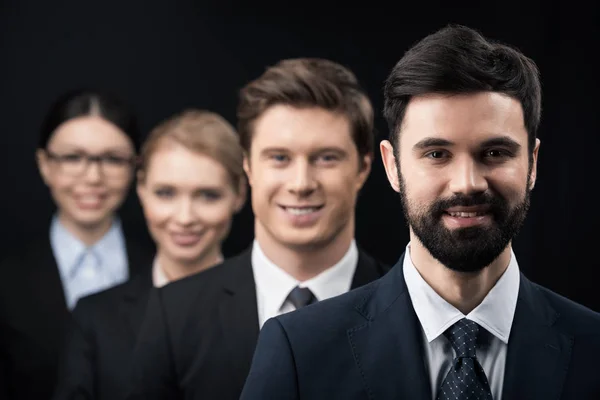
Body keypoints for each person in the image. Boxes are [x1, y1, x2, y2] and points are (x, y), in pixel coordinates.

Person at [240, 25, 600, 400]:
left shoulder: (593, 350)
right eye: (436, 154)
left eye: (494, 153)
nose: (466, 183)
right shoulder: (298, 351)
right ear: (392, 166)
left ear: (533, 163)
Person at [125, 58, 390, 400]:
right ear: (248, 166)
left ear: (363, 168)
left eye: (326, 157)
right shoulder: (173, 316)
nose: (301, 183)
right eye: (279, 157)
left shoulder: (411, 311)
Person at [51, 109, 246, 400]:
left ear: (239, 194)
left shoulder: (270, 308)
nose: (184, 217)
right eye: (166, 193)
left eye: (208, 195)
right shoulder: (95, 318)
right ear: (141, 189)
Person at [0, 89, 154, 400]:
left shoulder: (164, 272)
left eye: (112, 159)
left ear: (136, 167)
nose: (93, 177)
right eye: (72, 157)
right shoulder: (6, 280)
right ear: (45, 164)